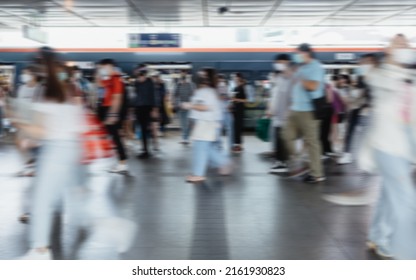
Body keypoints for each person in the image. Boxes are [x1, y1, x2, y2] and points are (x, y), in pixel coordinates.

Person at [15, 47, 85, 259]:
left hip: (55, 149)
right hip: (70, 147)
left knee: (42, 200)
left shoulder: (49, 90)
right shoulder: (68, 88)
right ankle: (40, 249)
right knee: (57, 196)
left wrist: (20, 126)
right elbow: (75, 120)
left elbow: (42, 129)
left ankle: (40, 251)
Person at [357, 34, 416, 259]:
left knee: (388, 196)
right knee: (406, 199)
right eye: (397, 43)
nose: (404, 46)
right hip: (387, 146)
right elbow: (379, 81)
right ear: (388, 50)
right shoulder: (381, 75)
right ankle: (403, 253)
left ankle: (377, 236)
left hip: (405, 149)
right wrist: (392, 64)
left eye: (406, 43)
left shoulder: (409, 76)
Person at [283, 43, 326, 183]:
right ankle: (298, 161)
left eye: (298, 53)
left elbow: (313, 86)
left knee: (312, 141)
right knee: (286, 135)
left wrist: (300, 78)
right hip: (295, 109)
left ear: (306, 53)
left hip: (308, 110)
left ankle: (317, 174)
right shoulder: (301, 67)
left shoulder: (316, 67)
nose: (296, 56)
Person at [185, 68, 231, 183]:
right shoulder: (206, 91)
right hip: (206, 123)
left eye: (203, 75)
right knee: (205, 148)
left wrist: (189, 106)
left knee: (202, 148)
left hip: (207, 124)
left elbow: (205, 107)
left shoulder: (207, 92)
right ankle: (221, 163)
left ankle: (199, 173)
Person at [97, 59, 128, 173]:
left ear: (110, 66)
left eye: (103, 67)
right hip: (107, 109)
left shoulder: (116, 79)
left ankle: (123, 162)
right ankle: (119, 161)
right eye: (101, 68)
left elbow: (117, 98)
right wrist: (98, 72)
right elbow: (99, 84)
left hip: (112, 110)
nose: (102, 70)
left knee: (116, 137)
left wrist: (113, 114)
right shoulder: (109, 79)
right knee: (113, 137)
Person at [268, 54, 293, 173]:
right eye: (277, 62)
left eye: (281, 62)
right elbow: (275, 95)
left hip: (285, 114)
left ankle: (282, 163)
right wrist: (271, 108)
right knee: (278, 138)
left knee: (281, 139)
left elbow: (288, 97)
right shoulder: (278, 77)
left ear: (287, 62)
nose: (278, 64)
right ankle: (279, 161)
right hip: (277, 114)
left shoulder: (289, 78)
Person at [134, 70, 158, 159]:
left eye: (141, 76)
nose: (140, 78)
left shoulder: (150, 83)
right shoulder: (137, 83)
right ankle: (145, 149)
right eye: (139, 77)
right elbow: (136, 95)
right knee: (142, 129)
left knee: (146, 129)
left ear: (145, 76)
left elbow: (153, 96)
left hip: (147, 108)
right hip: (139, 108)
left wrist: (154, 109)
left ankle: (147, 149)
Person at [174, 70, 194, 145]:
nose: (183, 75)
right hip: (180, 106)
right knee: (183, 123)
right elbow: (175, 95)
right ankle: (184, 138)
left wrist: (190, 104)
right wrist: (177, 103)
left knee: (187, 123)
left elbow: (192, 94)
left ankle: (186, 138)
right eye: (182, 73)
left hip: (188, 106)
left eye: (184, 73)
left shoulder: (190, 84)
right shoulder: (178, 84)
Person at [231, 73, 247, 153]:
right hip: (235, 111)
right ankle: (237, 144)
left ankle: (240, 145)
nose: (234, 79)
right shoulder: (235, 88)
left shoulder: (242, 88)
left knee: (239, 128)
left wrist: (236, 99)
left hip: (240, 111)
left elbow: (245, 100)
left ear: (239, 78)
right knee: (236, 128)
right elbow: (233, 99)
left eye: (235, 77)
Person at [217, 74, 233, 154]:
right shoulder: (215, 89)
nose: (221, 81)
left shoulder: (227, 87)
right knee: (218, 131)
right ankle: (220, 146)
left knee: (229, 130)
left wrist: (229, 102)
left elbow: (230, 98)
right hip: (219, 113)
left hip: (227, 112)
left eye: (222, 80)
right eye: (220, 80)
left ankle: (230, 146)